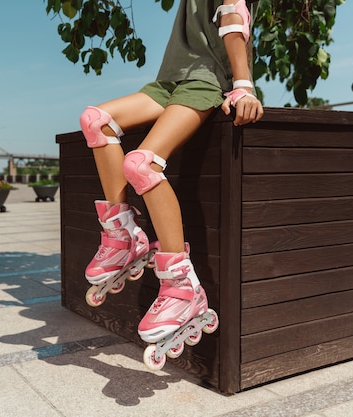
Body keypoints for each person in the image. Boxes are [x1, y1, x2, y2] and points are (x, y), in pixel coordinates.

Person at [79, 0, 264, 352]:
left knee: (141, 164)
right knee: (95, 121)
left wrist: (243, 85)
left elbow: (232, 15)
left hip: (204, 82)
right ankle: (122, 237)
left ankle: (182, 286)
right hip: (169, 83)